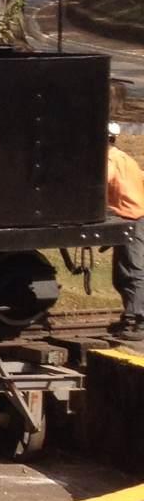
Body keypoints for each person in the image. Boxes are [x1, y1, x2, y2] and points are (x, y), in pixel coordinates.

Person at [110, 121, 144, 339]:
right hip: (134, 213)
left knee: (132, 271)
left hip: (131, 216)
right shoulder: (124, 157)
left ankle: (137, 322)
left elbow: (102, 182)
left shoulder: (109, 160)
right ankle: (132, 316)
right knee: (124, 272)